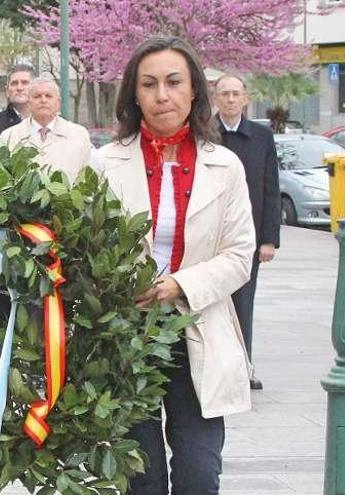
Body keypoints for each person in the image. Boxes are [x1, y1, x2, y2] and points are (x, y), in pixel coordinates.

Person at [91, 37, 255, 494]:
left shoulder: (225, 165)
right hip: (128, 337)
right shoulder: (104, 163)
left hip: (198, 328)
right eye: (149, 84)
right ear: (134, 94)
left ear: (194, 91)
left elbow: (240, 254)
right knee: (140, 478)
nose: (162, 95)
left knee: (200, 474)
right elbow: (84, 247)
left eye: (173, 82)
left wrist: (179, 285)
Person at [214, 74, 281, 391]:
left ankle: (243, 367)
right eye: (224, 93)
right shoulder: (204, 133)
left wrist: (268, 239)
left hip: (247, 237)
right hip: (209, 235)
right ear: (215, 98)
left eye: (235, 94)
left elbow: (271, 188)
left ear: (245, 98)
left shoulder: (261, 136)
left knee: (243, 303)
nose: (229, 99)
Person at [0, 76, 93, 183]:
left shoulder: (79, 135)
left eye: (48, 96)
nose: (43, 100)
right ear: (29, 102)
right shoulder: (9, 137)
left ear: (58, 102)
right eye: (37, 96)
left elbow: (87, 180)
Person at [0, 64, 35, 140]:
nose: (19, 88)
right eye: (14, 83)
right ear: (7, 91)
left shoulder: (46, 121)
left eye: (25, 83)